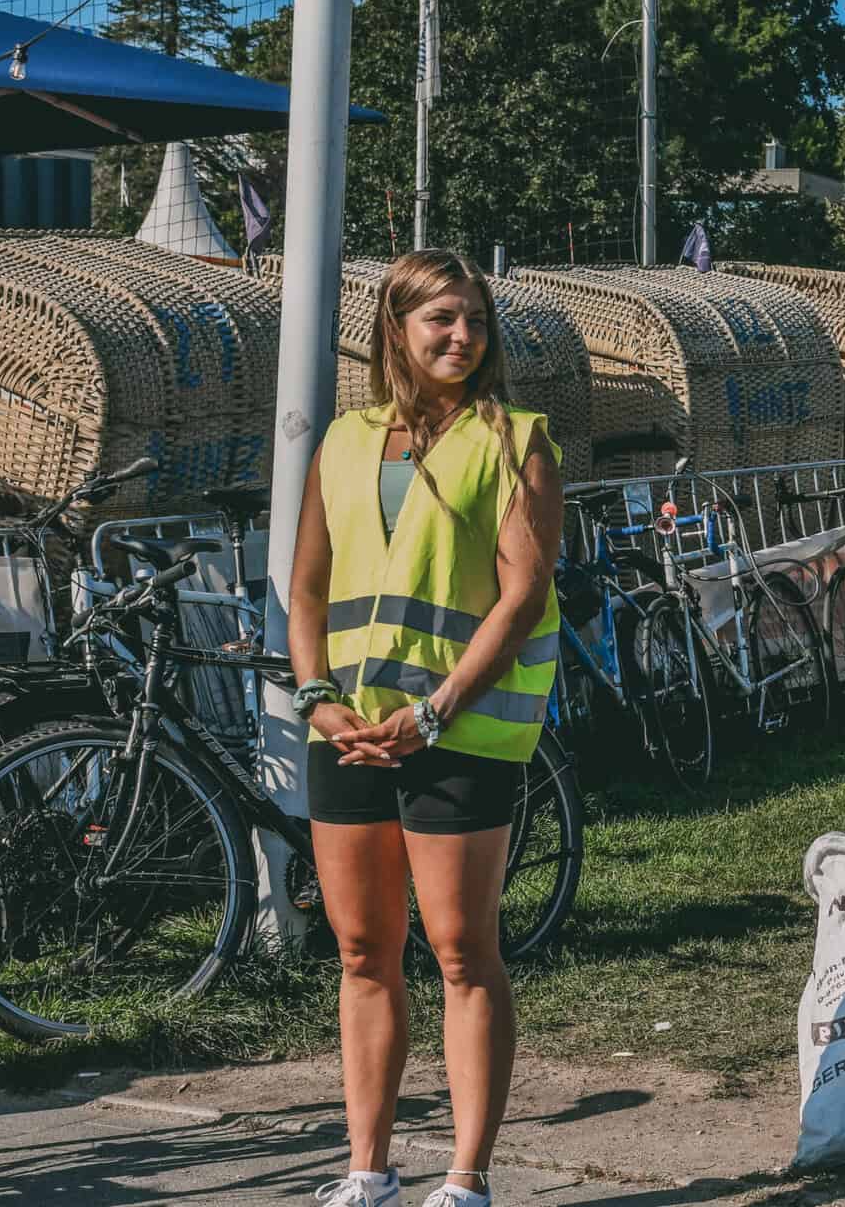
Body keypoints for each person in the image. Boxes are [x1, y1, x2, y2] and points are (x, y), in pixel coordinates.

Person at [291, 249, 565, 1207]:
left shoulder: (517, 437)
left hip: (464, 731)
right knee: (363, 953)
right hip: (352, 731)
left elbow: (524, 593)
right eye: (441, 320)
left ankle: (465, 1177)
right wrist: (314, 696)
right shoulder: (345, 438)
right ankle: (367, 1169)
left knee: (460, 948)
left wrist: (435, 709)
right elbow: (308, 587)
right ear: (395, 330)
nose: (462, 337)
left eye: (475, 321)